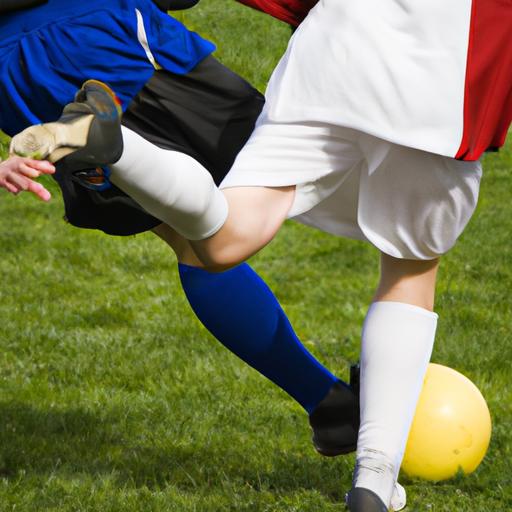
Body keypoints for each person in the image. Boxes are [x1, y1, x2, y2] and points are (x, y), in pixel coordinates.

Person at [16, 0, 511, 510]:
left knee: (225, 237)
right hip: (443, 76)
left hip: (340, 43)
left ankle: (116, 146)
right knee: (410, 267)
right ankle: (375, 480)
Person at [0, 0, 363, 469]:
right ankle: (400, 317)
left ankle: (329, 403)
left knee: (189, 237)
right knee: (298, 166)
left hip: (17, 78)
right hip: (101, 33)